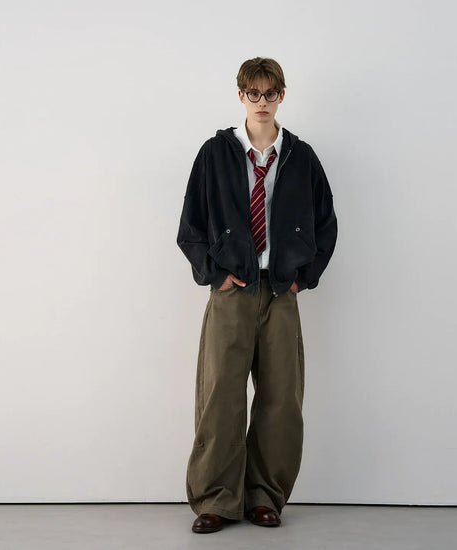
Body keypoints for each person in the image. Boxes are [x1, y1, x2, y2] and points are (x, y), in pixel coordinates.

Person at [177, 56, 337, 534]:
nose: (261, 102)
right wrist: (215, 273)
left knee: (281, 399)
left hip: (281, 292)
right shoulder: (215, 153)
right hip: (232, 292)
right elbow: (190, 226)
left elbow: (326, 223)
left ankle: (265, 496)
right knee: (220, 397)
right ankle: (216, 499)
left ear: (281, 95)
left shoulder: (301, 156)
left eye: (270, 94)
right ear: (241, 95)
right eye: (253, 93)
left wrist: (302, 277)